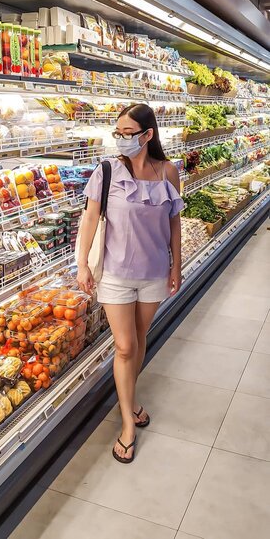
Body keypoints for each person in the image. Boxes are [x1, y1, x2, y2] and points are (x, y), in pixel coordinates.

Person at [76, 103, 183, 463]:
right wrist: (82, 265)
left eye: (128, 133)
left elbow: (174, 224)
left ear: (148, 134)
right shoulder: (106, 171)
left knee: (139, 342)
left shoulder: (168, 171)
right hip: (117, 275)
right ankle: (126, 424)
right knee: (124, 346)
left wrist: (176, 266)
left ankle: (132, 398)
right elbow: (90, 220)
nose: (121, 139)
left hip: (153, 273)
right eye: (117, 133)